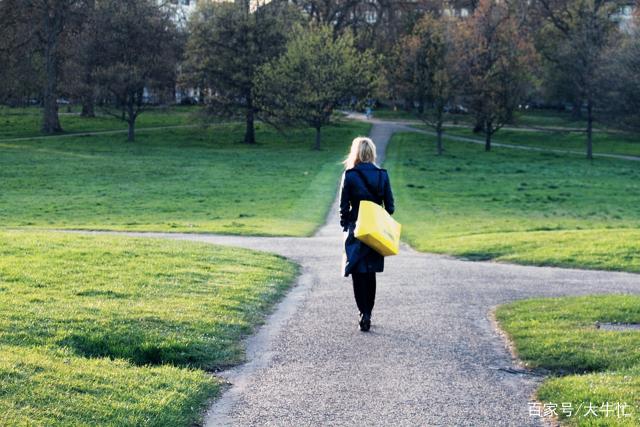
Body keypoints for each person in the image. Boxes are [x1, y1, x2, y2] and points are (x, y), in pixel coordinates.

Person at [339, 136, 395, 332]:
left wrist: (346, 226)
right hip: (375, 230)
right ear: (371, 152)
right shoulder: (382, 175)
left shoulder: (350, 175)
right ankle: (368, 313)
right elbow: (390, 207)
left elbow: (343, 208)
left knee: (357, 272)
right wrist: (378, 218)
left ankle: (362, 312)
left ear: (355, 152)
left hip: (356, 229)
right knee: (370, 273)